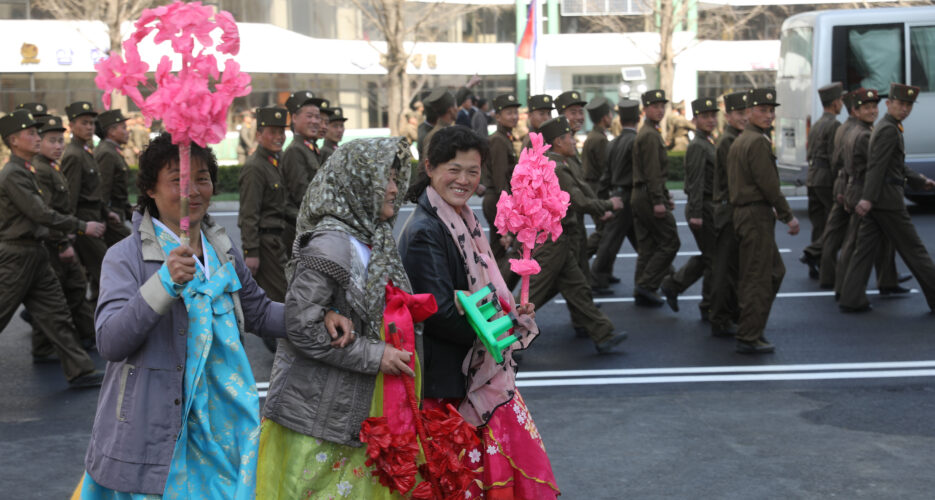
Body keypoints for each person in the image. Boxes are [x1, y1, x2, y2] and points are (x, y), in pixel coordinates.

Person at [77, 132, 285, 498]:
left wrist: (321, 316)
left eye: (202, 179)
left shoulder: (221, 250)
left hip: (225, 426)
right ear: (150, 190)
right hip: (158, 431)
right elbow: (111, 340)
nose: (193, 190)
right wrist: (163, 283)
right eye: (178, 180)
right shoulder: (125, 257)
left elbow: (260, 313)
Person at [257, 136, 424, 499]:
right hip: (320, 416)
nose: (395, 189)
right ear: (359, 182)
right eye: (387, 179)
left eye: (397, 178)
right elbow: (303, 327)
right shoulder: (332, 243)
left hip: (352, 404)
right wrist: (376, 354)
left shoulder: (371, 237)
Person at [398, 125, 560, 498]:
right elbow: (437, 311)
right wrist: (498, 332)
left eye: (473, 171)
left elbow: (479, 294)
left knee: (483, 478)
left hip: (471, 372)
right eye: (453, 169)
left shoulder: (461, 220)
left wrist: (508, 311)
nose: (464, 180)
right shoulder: (426, 230)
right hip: (453, 381)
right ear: (429, 167)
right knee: (461, 480)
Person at [0, 110, 105, 389]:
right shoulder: (13, 174)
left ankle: (80, 370)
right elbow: (40, 213)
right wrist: (82, 226)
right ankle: (78, 368)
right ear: (13, 140)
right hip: (16, 255)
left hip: (35, 252)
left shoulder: (27, 169)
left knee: (56, 313)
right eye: (31, 133)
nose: (37, 138)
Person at [523, 118, 627, 350]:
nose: (573, 141)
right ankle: (505, 341)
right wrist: (609, 205)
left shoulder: (553, 163)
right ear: (558, 142)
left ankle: (603, 333)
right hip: (552, 239)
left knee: (577, 287)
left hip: (559, 238)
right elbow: (578, 200)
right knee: (534, 295)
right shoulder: (556, 167)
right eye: (569, 137)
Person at [838, 83, 935, 313]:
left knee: (864, 249)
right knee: (915, 251)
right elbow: (876, 166)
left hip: (880, 198)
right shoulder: (888, 129)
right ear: (889, 104)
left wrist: (919, 180)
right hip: (887, 200)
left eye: (909, 105)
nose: (905, 109)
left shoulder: (888, 126)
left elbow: (894, 165)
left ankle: (851, 298)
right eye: (900, 104)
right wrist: (868, 198)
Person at [727, 88, 800, 354]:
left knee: (771, 272)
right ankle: (748, 334)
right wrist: (788, 216)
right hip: (754, 214)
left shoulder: (743, 139)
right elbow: (769, 185)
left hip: (748, 214)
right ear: (748, 112)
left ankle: (751, 326)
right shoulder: (756, 141)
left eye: (771, 110)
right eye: (762, 110)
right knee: (758, 276)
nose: (769, 115)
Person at [29, 113, 98, 359]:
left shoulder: (51, 168)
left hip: (63, 237)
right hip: (51, 243)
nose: (58, 146)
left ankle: (86, 336)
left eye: (60, 141)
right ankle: (45, 347)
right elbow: (46, 214)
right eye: (51, 141)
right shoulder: (41, 171)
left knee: (73, 289)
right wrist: (61, 243)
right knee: (54, 298)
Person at [834, 88, 904, 299]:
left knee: (862, 243)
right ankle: (846, 290)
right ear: (855, 111)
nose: (873, 111)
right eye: (867, 108)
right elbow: (877, 167)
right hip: (864, 191)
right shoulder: (865, 135)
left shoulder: (855, 131)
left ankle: (879, 283)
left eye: (874, 107)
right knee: (856, 244)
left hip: (855, 190)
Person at [661, 97, 719, 318]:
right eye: (705, 116)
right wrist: (695, 213)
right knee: (714, 258)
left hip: (708, 206)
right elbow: (695, 181)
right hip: (702, 207)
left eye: (713, 116)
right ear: (695, 119)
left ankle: (674, 285)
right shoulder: (697, 145)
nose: (710, 120)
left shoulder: (707, 142)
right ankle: (708, 306)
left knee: (710, 256)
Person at [632, 89, 680, 306]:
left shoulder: (649, 132)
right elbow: (653, 172)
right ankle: (647, 285)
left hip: (643, 194)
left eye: (662, 106)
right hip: (647, 196)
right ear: (645, 109)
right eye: (655, 106)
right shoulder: (650, 135)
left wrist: (663, 195)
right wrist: (659, 201)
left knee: (648, 245)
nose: (660, 110)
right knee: (670, 241)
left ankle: (641, 289)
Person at [239, 107, 289, 304]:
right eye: (272, 132)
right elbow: (248, 213)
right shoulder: (255, 167)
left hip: (277, 241)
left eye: (281, 132)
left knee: (276, 297)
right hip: (265, 243)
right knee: (281, 297)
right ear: (259, 135)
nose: (278, 137)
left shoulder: (274, 162)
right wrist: (251, 252)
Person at [62, 101, 110, 307]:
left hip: (93, 216)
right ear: (72, 125)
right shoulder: (73, 154)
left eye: (92, 123)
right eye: (84, 123)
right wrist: (72, 227)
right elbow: (70, 195)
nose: (90, 127)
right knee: (105, 268)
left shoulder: (85, 150)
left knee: (95, 271)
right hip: (83, 219)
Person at [591, 99, 641, 291]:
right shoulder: (635, 141)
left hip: (617, 194)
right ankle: (597, 277)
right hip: (630, 195)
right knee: (612, 240)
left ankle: (658, 275)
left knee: (637, 239)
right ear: (637, 118)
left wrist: (603, 200)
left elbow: (606, 175)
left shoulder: (613, 143)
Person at [709, 91, 747, 338]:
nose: (744, 118)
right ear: (728, 115)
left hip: (731, 209)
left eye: (746, 113)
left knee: (733, 267)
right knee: (725, 269)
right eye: (739, 113)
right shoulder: (729, 141)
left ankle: (728, 314)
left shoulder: (737, 138)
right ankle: (721, 318)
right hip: (728, 210)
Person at [800, 82, 844, 279]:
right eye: (841, 100)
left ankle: (815, 265)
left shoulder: (818, 123)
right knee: (837, 223)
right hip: (826, 179)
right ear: (835, 103)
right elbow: (835, 158)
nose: (842, 104)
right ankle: (815, 253)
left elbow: (809, 152)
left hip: (813, 177)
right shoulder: (834, 124)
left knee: (819, 223)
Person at [817, 91, 860, 289]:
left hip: (826, 181)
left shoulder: (829, 124)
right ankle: (843, 282)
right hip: (842, 184)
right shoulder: (841, 126)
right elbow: (839, 160)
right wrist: (842, 187)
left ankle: (826, 275)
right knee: (848, 235)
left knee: (830, 230)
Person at [481, 93, 522, 282]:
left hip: (498, 200)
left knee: (498, 252)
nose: (514, 116)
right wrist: (506, 213)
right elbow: (500, 180)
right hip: (498, 200)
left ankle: (494, 292)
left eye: (515, 112)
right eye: (509, 113)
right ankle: (496, 294)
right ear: (497, 116)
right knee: (500, 252)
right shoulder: (498, 140)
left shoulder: (504, 137)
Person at [282, 91, 325, 257]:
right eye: (309, 116)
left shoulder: (310, 149)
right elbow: (303, 197)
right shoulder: (295, 151)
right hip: (299, 232)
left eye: (317, 117)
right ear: (294, 118)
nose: (315, 121)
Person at [582, 96, 615, 278]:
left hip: (594, 186)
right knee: (603, 231)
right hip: (597, 188)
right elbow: (605, 168)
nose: (612, 117)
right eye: (610, 114)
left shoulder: (595, 136)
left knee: (607, 231)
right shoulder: (599, 140)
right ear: (604, 117)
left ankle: (604, 271)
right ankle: (583, 263)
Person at [94, 109, 133, 246]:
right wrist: (106, 214)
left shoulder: (112, 150)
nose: (127, 131)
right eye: (124, 128)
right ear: (112, 131)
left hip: (118, 212)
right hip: (112, 215)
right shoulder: (107, 153)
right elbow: (103, 188)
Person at [419, 88, 457, 165]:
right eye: (456, 105)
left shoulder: (444, 131)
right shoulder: (437, 135)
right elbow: (426, 167)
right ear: (451, 110)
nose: (457, 109)